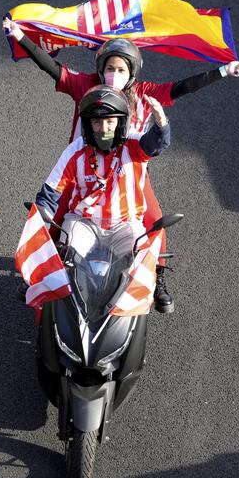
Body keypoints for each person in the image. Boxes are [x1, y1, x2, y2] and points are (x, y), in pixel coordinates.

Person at [3, 18, 239, 312]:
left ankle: (156, 279)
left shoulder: (146, 94)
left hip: (129, 168)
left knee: (154, 222)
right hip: (85, 167)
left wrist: (223, 71)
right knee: (57, 218)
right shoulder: (85, 86)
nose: (114, 75)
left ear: (131, 72)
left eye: (121, 70)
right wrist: (20, 36)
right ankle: (39, 276)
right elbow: (51, 67)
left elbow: (185, 87)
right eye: (109, 69)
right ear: (100, 70)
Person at [34, 84, 173, 310]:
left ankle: (149, 296)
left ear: (121, 121)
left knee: (140, 268)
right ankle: (41, 287)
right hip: (83, 224)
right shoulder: (74, 151)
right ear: (87, 125)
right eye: (97, 122)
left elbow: (157, 144)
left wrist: (161, 124)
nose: (103, 128)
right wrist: (41, 213)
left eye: (110, 121)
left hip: (125, 225)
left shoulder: (134, 143)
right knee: (65, 260)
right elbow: (50, 192)